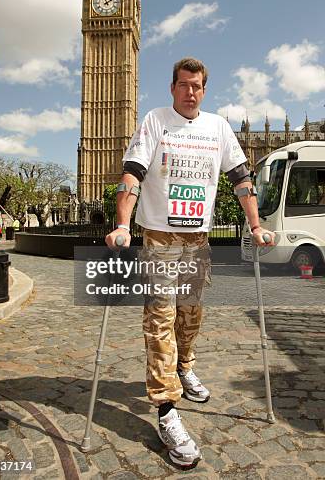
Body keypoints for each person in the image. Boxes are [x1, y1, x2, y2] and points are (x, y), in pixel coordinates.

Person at [105, 57, 274, 468]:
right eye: (183, 84)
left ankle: (184, 366)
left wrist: (255, 225)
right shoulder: (155, 120)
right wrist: (123, 224)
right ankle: (166, 409)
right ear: (172, 87)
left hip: (197, 238)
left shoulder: (218, 127)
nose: (190, 91)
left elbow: (241, 178)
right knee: (160, 317)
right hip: (160, 236)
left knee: (191, 313)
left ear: (204, 88)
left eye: (196, 85)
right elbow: (132, 173)